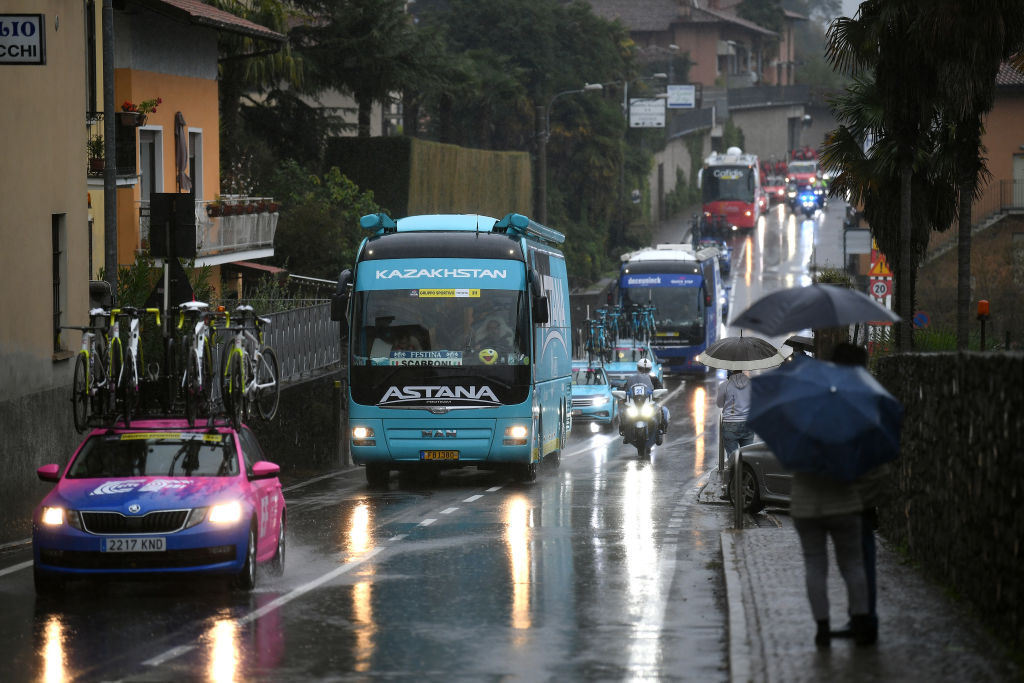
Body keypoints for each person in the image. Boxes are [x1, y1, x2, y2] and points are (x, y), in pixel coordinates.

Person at [620, 357, 669, 445]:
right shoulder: (632, 379)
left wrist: (657, 393)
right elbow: (625, 388)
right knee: (623, 412)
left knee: (663, 411)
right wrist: (623, 392)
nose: (644, 371)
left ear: (650, 369)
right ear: (638, 368)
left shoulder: (653, 379)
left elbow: (660, 387)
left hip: (649, 402)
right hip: (634, 403)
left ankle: (660, 431)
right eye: (641, 369)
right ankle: (625, 432)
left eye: (646, 369)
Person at [717, 370, 754, 455]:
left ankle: (734, 467)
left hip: (730, 423)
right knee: (748, 456)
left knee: (732, 457)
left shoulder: (724, 385)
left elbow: (719, 404)